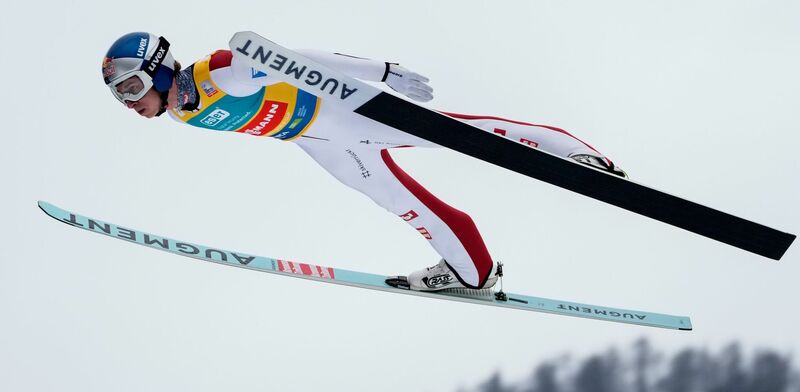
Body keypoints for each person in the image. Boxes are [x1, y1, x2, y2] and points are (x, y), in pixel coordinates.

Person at [102, 32, 626, 292]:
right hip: (318, 142)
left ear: (157, 69)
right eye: (120, 96)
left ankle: (576, 155)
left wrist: (383, 72)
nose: (129, 103)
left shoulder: (220, 73)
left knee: (460, 134)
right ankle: (474, 271)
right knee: (399, 202)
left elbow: (302, 61)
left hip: (341, 114)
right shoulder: (182, 113)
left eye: (130, 86)